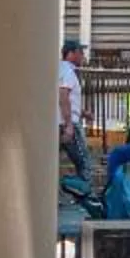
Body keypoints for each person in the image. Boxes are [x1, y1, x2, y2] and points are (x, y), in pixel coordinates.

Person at [58, 38, 91, 187]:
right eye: (80, 52)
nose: (83, 55)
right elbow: (63, 95)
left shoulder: (59, 69)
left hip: (59, 123)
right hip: (67, 125)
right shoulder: (68, 71)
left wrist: (82, 112)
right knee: (84, 164)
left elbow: (65, 99)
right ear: (70, 53)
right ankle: (84, 199)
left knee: (50, 163)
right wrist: (69, 124)